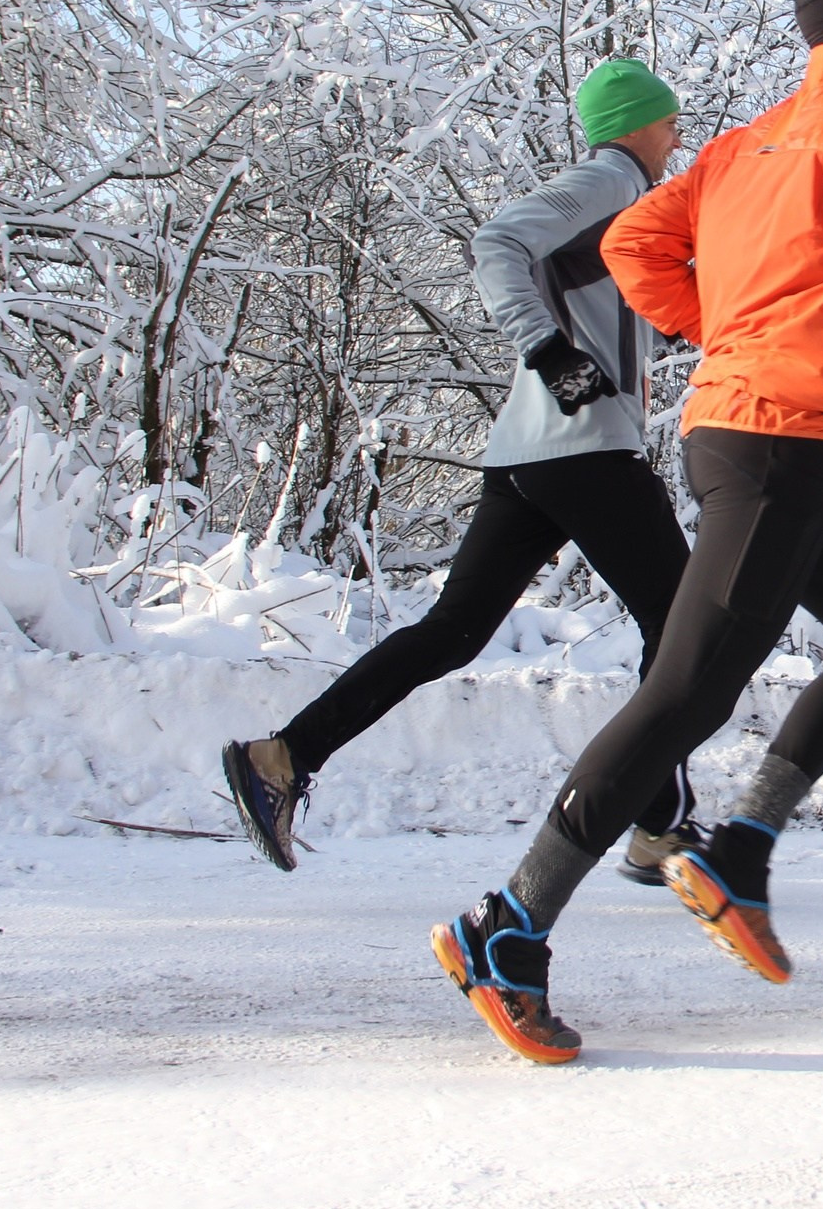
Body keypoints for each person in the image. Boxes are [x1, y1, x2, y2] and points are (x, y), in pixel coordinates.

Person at [430, 0, 823, 1065]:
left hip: (751, 434)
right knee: (687, 692)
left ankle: (740, 849)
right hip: (777, 443)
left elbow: (632, 243)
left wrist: (722, 325)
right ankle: (506, 925)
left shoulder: (742, 145)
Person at [222, 58, 705, 893]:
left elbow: (616, 320)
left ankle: (282, 756)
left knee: (452, 631)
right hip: (585, 448)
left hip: (528, 455)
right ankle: (656, 821)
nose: (676, 137)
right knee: (684, 621)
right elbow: (496, 242)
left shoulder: (622, 208)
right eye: (667, 122)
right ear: (633, 123)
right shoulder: (612, 180)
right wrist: (547, 349)